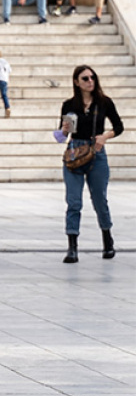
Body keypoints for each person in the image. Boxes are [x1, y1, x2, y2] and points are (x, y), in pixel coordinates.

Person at [59, 65, 122, 263]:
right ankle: (72, 247)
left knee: (100, 200)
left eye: (92, 77)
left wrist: (105, 136)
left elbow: (119, 127)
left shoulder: (104, 103)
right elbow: (60, 136)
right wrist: (63, 130)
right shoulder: (69, 105)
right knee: (74, 201)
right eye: (85, 78)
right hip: (75, 153)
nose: (90, 81)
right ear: (76, 82)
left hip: (97, 152)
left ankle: (107, 240)